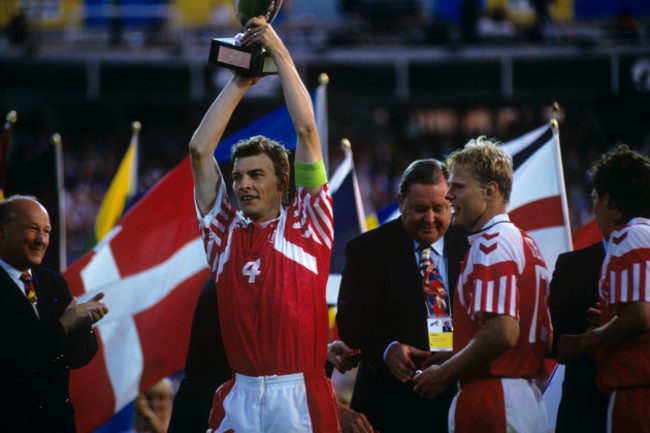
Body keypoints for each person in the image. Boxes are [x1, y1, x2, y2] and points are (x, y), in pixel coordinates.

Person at [189, 16, 339, 433]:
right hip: (239, 394)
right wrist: (241, 81)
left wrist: (276, 47)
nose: (243, 185)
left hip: (300, 397)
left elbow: (306, 130)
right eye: (237, 177)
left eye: (256, 175)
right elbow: (201, 150)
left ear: (283, 181)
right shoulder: (222, 235)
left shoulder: (311, 224)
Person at [413, 137, 552, 433]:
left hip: (492, 400)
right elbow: (541, 339)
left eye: (458, 187)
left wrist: (445, 373)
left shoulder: (491, 244)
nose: (449, 196)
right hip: (527, 398)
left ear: (491, 190)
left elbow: (503, 331)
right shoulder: (527, 243)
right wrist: (456, 350)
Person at [337, 159, 469, 432]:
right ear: (400, 202)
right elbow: (349, 318)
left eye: (439, 208)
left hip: (457, 404)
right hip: (387, 406)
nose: (430, 218)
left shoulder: (472, 245)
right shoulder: (367, 249)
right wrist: (387, 350)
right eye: (420, 209)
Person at [169, 277, 372, 433]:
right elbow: (264, 367)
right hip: (216, 418)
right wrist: (335, 410)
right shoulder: (245, 278)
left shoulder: (260, 272)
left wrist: (323, 352)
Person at [556, 145, 650, 433]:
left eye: (595, 199)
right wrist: (613, 322)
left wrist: (583, 341)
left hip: (636, 390)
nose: (593, 208)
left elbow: (639, 316)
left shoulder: (628, 236)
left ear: (608, 200)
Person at [0, 195, 108, 432]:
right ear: (2, 232)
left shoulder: (53, 283)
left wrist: (82, 326)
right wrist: (63, 327)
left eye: (46, 231)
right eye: (32, 229)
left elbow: (79, 359)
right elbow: (14, 357)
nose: (41, 240)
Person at [549, 242, 608, 433]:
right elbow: (552, 344)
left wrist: (623, 323)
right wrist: (591, 337)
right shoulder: (572, 265)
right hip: (584, 410)